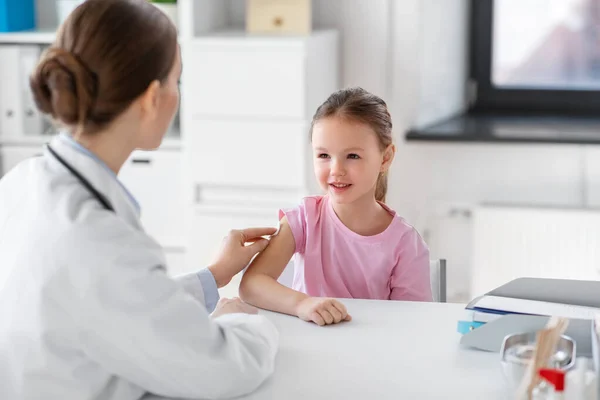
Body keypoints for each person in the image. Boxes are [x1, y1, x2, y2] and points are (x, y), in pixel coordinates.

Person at [0, 1, 279, 399]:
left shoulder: (21, 182)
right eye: (177, 82)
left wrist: (213, 275)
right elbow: (224, 369)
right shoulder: (97, 239)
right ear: (152, 98)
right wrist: (243, 322)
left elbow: (116, 304)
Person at [239, 87, 432, 326]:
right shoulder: (303, 219)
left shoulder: (406, 244)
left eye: (352, 156)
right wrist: (303, 304)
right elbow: (252, 284)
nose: (336, 170)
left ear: (385, 158)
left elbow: (414, 324)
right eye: (323, 156)